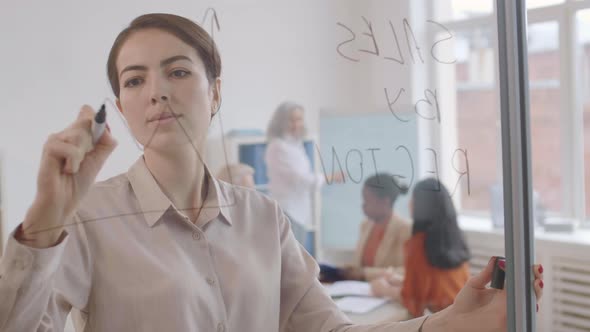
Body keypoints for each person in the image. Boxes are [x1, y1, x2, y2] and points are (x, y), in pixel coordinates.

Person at [0, 13, 544, 332]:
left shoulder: (263, 218)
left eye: (178, 71)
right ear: (119, 108)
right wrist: (46, 220)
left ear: (214, 92)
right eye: (134, 80)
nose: (157, 91)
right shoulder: (90, 219)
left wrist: (451, 323)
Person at [370, 178, 472, 318]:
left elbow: (414, 301)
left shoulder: (418, 244)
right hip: (465, 316)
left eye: (413, 199)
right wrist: (401, 280)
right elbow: (435, 283)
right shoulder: (456, 237)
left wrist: (384, 289)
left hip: (443, 321)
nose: (409, 204)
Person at [264, 101, 343, 227]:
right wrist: (331, 177)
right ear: (281, 122)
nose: (296, 124)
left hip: (298, 212)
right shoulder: (278, 147)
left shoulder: (296, 145)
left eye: (299, 119)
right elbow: (301, 179)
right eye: (291, 120)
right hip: (287, 211)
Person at [339, 173, 412, 282]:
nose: (363, 205)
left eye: (367, 200)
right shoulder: (365, 226)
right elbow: (359, 266)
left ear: (385, 202)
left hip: (387, 294)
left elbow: (408, 271)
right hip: (358, 292)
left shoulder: (406, 229)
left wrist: (365, 274)